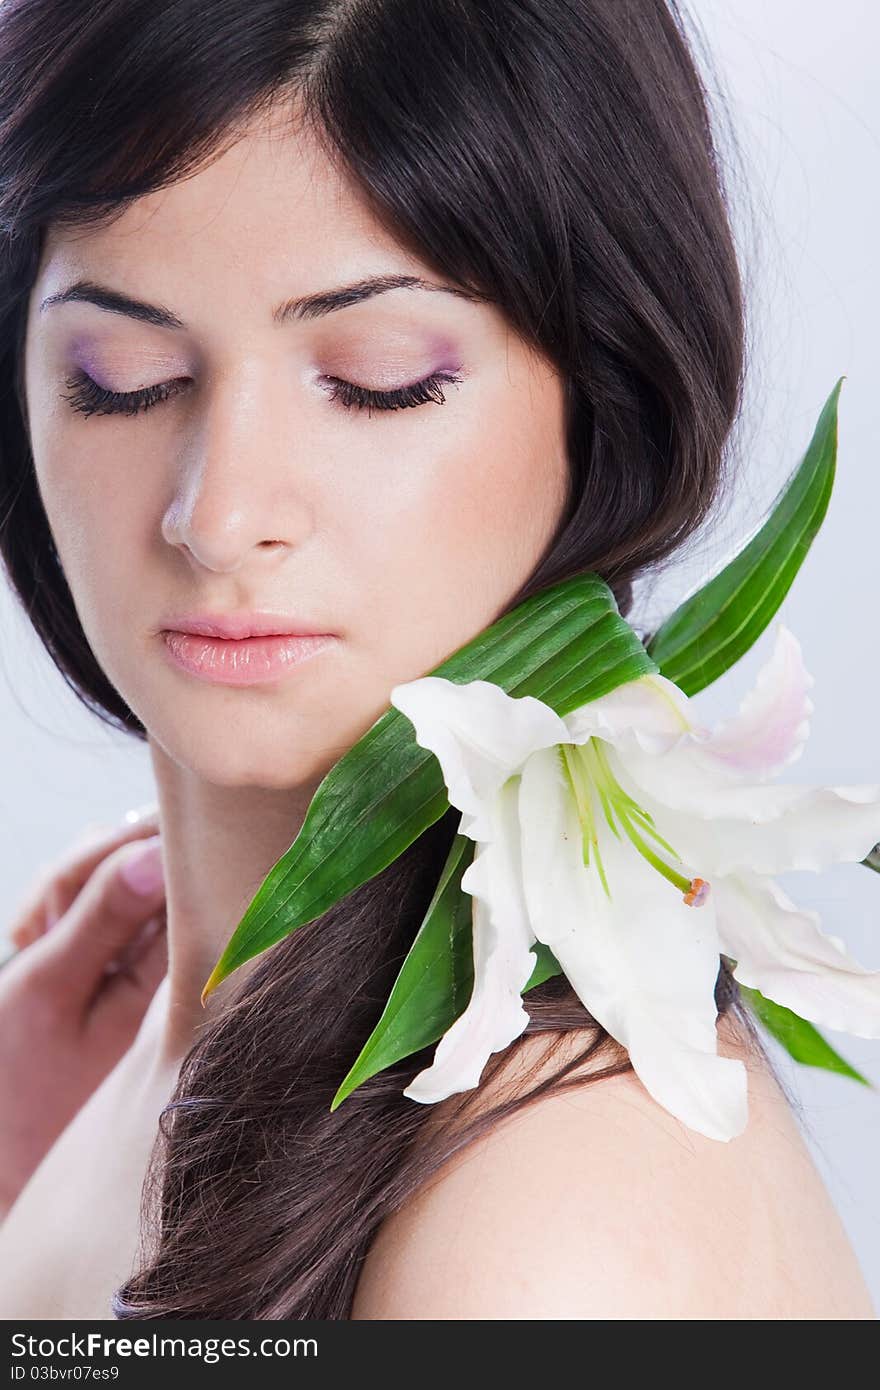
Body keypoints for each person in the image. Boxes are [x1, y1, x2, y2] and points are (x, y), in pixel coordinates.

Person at [0, 0, 874, 1320]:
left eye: (377, 376)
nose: (218, 513)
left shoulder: (552, 1214)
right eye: (119, 374)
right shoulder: (101, 1082)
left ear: (601, 393)